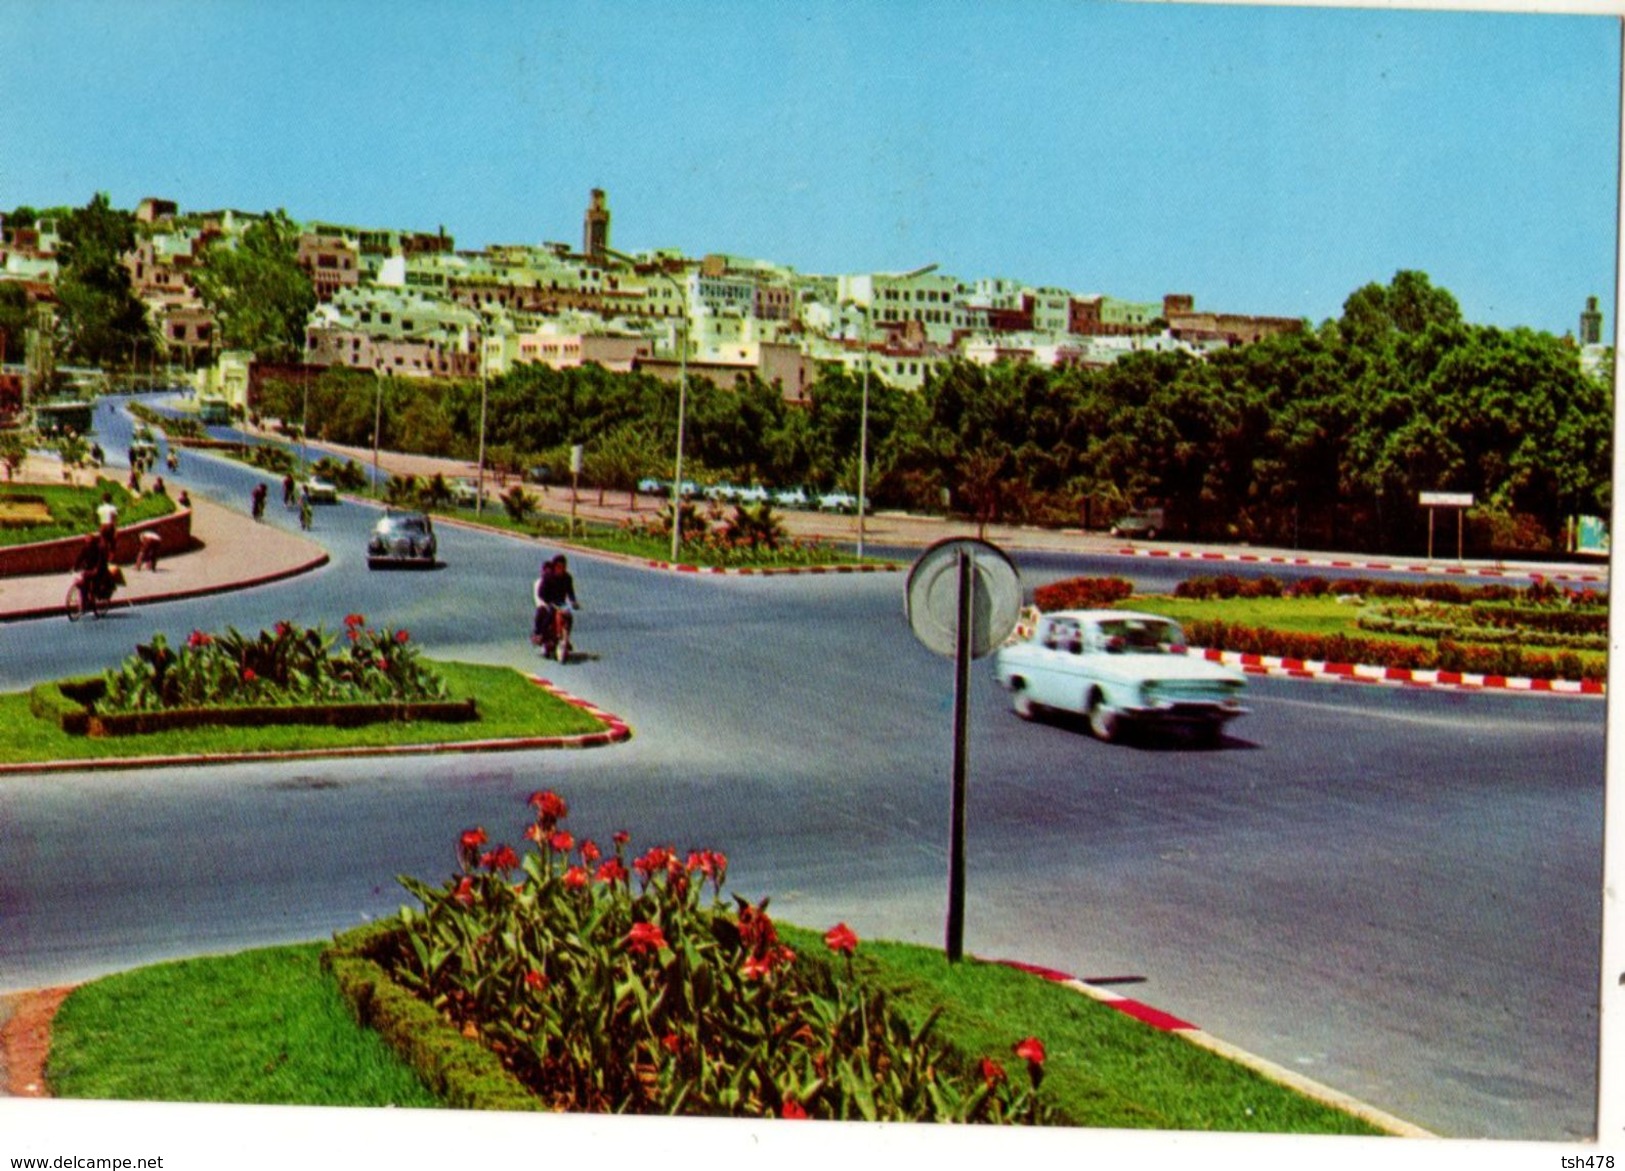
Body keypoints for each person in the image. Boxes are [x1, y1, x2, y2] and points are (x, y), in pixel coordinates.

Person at [535, 554, 580, 659]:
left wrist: (573, 602)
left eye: (564, 567)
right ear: (555, 567)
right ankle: (543, 635)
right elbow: (541, 592)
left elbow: (570, 592)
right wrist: (548, 601)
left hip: (561, 603)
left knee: (569, 617)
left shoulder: (567, 578)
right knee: (549, 614)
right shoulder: (548, 577)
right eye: (559, 567)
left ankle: (566, 638)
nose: (561, 569)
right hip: (549, 601)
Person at [72, 533, 113, 613]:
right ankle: (84, 604)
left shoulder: (99, 549)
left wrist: (97, 569)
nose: (88, 543)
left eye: (89, 542)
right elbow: (80, 558)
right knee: (83, 585)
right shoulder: (85, 549)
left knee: (95, 585)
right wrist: (75, 567)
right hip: (89, 570)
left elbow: (101, 560)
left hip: (100, 570)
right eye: (87, 541)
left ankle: (94, 597)